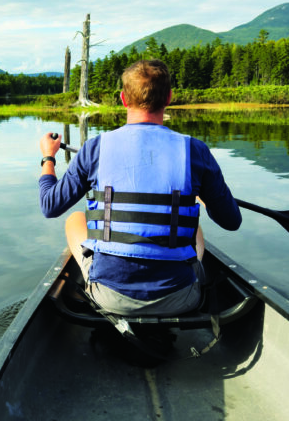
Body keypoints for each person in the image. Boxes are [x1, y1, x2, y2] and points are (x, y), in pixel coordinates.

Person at [38, 59, 241, 317]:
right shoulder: (195, 151)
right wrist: (202, 195)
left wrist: (48, 157)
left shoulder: (95, 148)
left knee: (75, 219)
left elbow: (49, 205)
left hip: (110, 296)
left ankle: (97, 278)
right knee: (194, 226)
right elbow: (231, 220)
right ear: (168, 97)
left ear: (123, 99)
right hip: (180, 296)